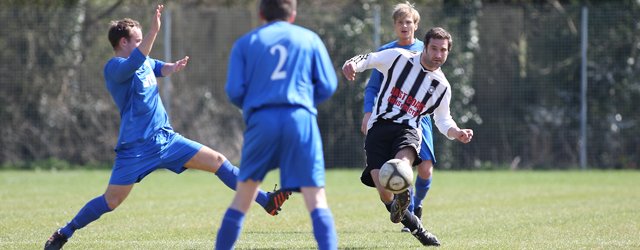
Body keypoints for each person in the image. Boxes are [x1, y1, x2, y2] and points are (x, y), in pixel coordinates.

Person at [44, 5, 291, 250]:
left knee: (218, 161)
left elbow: (156, 65)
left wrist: (172, 67)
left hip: (167, 140)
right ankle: (64, 233)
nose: (143, 44)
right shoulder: (115, 68)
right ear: (123, 43)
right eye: (138, 40)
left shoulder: (143, 61)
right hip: (136, 149)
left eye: (143, 39)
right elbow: (141, 58)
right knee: (112, 201)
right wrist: (153, 31)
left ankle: (266, 201)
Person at [214, 0, 338, 249]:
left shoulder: (246, 43)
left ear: (261, 14)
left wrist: (257, 104)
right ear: (292, 14)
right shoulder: (309, 39)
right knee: (316, 199)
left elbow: (234, 91)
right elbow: (327, 85)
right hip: (300, 118)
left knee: (243, 198)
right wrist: (303, 102)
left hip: (262, 119)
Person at [343, 27, 473, 247]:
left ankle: (404, 199)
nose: (438, 55)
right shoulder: (398, 58)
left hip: (408, 130)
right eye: (434, 48)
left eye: (443, 50)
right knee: (384, 193)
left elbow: (443, 120)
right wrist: (352, 64)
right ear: (425, 47)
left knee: (401, 165)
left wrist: (456, 132)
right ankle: (416, 226)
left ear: (448, 53)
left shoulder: (442, 87)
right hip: (379, 128)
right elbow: (370, 59)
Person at [361, 1, 435, 233]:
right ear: (394, 25)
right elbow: (373, 87)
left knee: (425, 170)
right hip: (392, 118)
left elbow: (437, 83)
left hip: (418, 116)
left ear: (416, 25)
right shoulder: (386, 51)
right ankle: (408, 212)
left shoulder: (426, 49)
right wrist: (367, 113)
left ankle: (418, 205)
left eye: (409, 22)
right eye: (400, 22)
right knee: (400, 166)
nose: (405, 25)